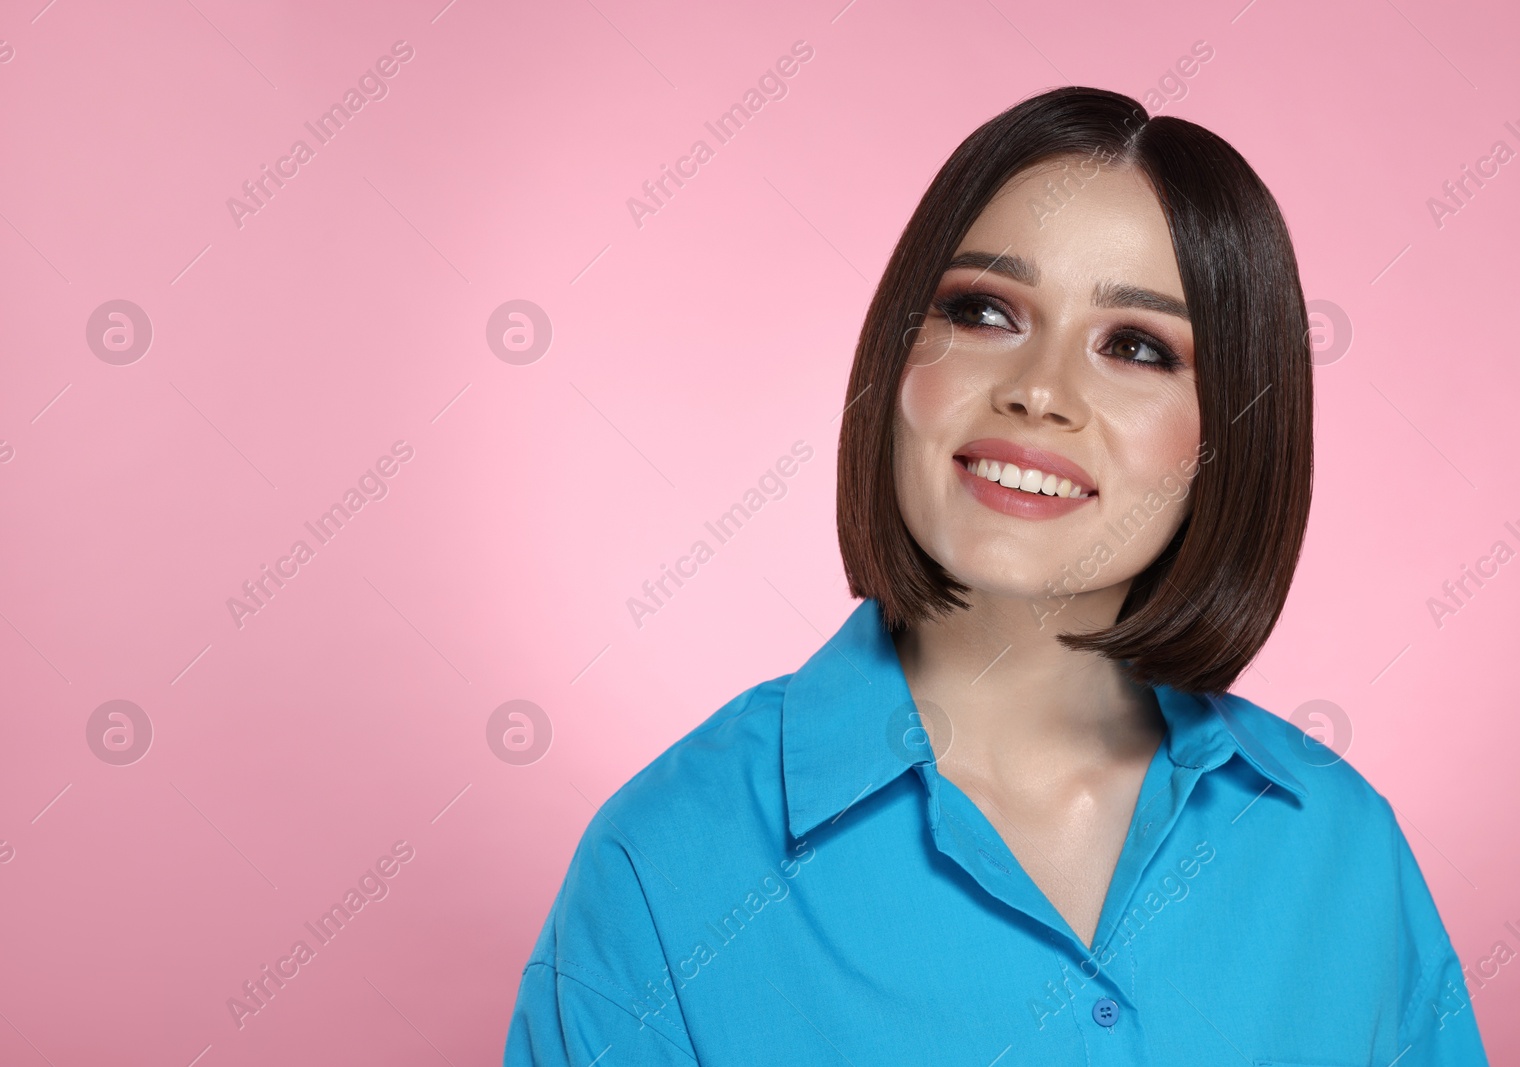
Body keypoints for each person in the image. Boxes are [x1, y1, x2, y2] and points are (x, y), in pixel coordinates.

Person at [503, 86, 1489, 1064]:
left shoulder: (1342, 850)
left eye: (1136, 345)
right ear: (896, 358)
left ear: (1229, 435)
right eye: (984, 310)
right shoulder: (665, 865)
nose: (1038, 391)